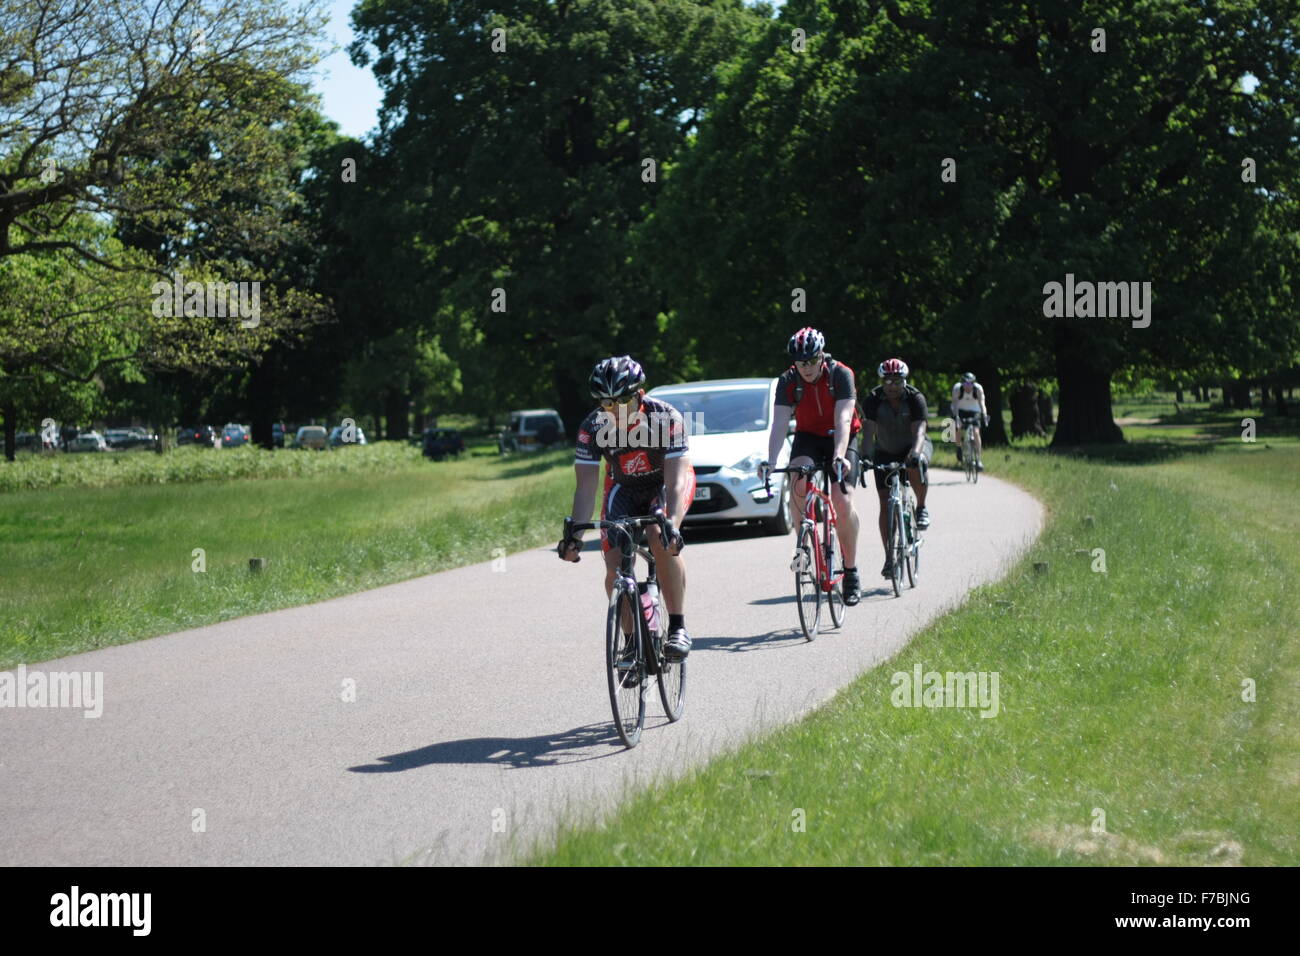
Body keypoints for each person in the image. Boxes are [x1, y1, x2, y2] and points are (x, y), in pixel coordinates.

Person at [558, 356, 695, 662]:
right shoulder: (592, 427)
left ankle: (678, 627)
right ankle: (632, 642)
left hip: (665, 483)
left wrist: (672, 522)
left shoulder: (665, 418)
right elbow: (585, 489)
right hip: (624, 487)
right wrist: (575, 536)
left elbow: (675, 483)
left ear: (640, 394)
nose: (615, 409)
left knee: (660, 535)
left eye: (622, 400)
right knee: (613, 563)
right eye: (606, 402)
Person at [757, 328, 864, 605]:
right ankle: (802, 543)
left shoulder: (841, 374)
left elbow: (843, 419)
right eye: (800, 362)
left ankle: (850, 571)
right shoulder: (788, 381)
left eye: (811, 361)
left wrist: (839, 455)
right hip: (809, 438)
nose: (805, 368)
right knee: (798, 481)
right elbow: (779, 424)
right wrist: (770, 461)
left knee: (841, 501)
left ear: (821, 357)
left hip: (842, 437)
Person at [860, 358, 931, 579]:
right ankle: (889, 558)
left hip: (913, 446)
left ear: (904, 380)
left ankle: (921, 507)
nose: (892, 385)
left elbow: (919, 431)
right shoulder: (873, 400)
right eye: (887, 381)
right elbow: (868, 434)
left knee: (913, 466)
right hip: (885, 450)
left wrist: (916, 453)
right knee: (884, 502)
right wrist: (865, 457)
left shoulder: (915, 398)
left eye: (897, 381)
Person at [950, 371, 988, 470]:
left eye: (970, 383)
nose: (968, 386)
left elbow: (982, 403)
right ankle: (959, 447)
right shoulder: (957, 389)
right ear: (962, 383)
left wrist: (984, 414)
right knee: (958, 428)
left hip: (974, 411)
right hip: (960, 410)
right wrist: (956, 416)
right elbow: (955, 404)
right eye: (966, 383)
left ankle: (979, 460)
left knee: (976, 432)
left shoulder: (978, 389)